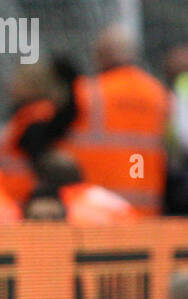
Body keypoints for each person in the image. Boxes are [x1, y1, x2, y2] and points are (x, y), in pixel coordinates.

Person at [57, 24, 170, 215]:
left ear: (102, 55)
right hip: (147, 208)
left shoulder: (86, 92)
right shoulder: (158, 93)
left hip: (98, 208)